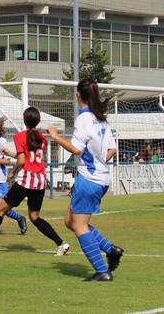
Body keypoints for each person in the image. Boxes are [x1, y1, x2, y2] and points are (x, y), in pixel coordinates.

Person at [47, 78, 123, 282]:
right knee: (70, 221)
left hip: (89, 179)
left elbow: (76, 149)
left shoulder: (84, 119)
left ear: (78, 95)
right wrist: (98, 164)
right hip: (101, 177)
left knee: (80, 226)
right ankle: (111, 250)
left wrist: (54, 136)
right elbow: (112, 150)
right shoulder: (101, 119)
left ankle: (102, 271)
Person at [0, 107, 70, 257]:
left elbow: (23, 161)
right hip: (40, 181)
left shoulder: (20, 136)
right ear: (37, 121)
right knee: (35, 217)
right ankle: (61, 244)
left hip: (26, 180)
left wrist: (12, 172)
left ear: (24, 120)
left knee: (0, 210)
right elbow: (28, 156)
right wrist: (11, 154)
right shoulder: (41, 137)